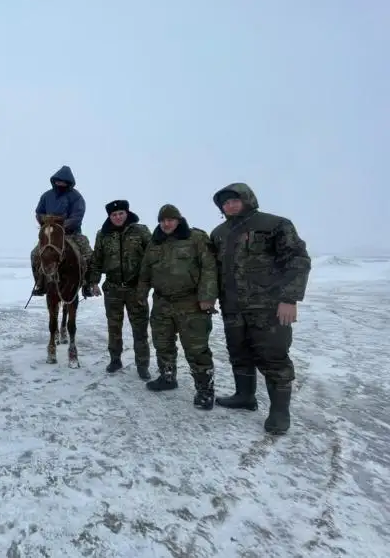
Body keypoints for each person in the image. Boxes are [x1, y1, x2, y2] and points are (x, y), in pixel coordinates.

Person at [209, 183, 311, 435]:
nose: (229, 205)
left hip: (268, 308)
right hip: (232, 307)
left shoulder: (274, 225)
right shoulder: (219, 233)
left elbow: (298, 260)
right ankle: (245, 396)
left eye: (234, 200)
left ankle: (279, 412)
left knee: (274, 357)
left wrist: (289, 299)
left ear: (247, 199)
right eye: (225, 203)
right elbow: (213, 271)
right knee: (239, 353)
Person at [137, 204, 218, 409]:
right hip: (162, 302)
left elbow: (209, 267)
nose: (166, 223)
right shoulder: (154, 243)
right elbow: (145, 271)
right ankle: (167, 377)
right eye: (163, 220)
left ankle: (205, 390)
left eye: (170, 219)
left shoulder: (195, 238)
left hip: (190, 302)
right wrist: (141, 293)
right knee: (162, 343)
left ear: (179, 219)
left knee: (196, 348)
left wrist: (207, 296)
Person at [86, 199, 152, 378]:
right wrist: (94, 282)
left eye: (120, 213)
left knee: (140, 329)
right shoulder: (103, 234)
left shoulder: (141, 231)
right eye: (114, 215)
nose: (117, 217)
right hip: (113, 289)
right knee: (114, 328)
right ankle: (115, 360)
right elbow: (97, 260)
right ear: (110, 216)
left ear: (127, 213)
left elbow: (152, 257)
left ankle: (143, 365)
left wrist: (147, 283)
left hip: (135, 289)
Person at [30, 165, 94, 297]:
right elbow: (39, 212)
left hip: (72, 233)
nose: (60, 183)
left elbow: (77, 216)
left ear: (68, 182)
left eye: (63, 181)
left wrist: (61, 224)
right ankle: (40, 283)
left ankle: (87, 285)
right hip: (51, 234)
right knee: (35, 254)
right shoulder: (46, 196)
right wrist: (45, 220)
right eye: (58, 180)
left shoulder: (76, 197)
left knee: (88, 254)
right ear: (54, 181)